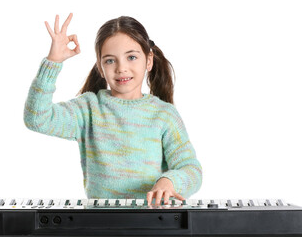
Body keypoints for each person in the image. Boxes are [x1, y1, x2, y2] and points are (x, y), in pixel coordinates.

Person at [24, 13, 202, 206]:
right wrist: (53, 62)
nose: (121, 68)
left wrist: (169, 181)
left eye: (132, 57)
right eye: (110, 60)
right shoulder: (88, 109)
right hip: (101, 223)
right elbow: (37, 119)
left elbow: (191, 168)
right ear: (100, 67)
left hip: (152, 222)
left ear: (148, 60)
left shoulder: (164, 115)